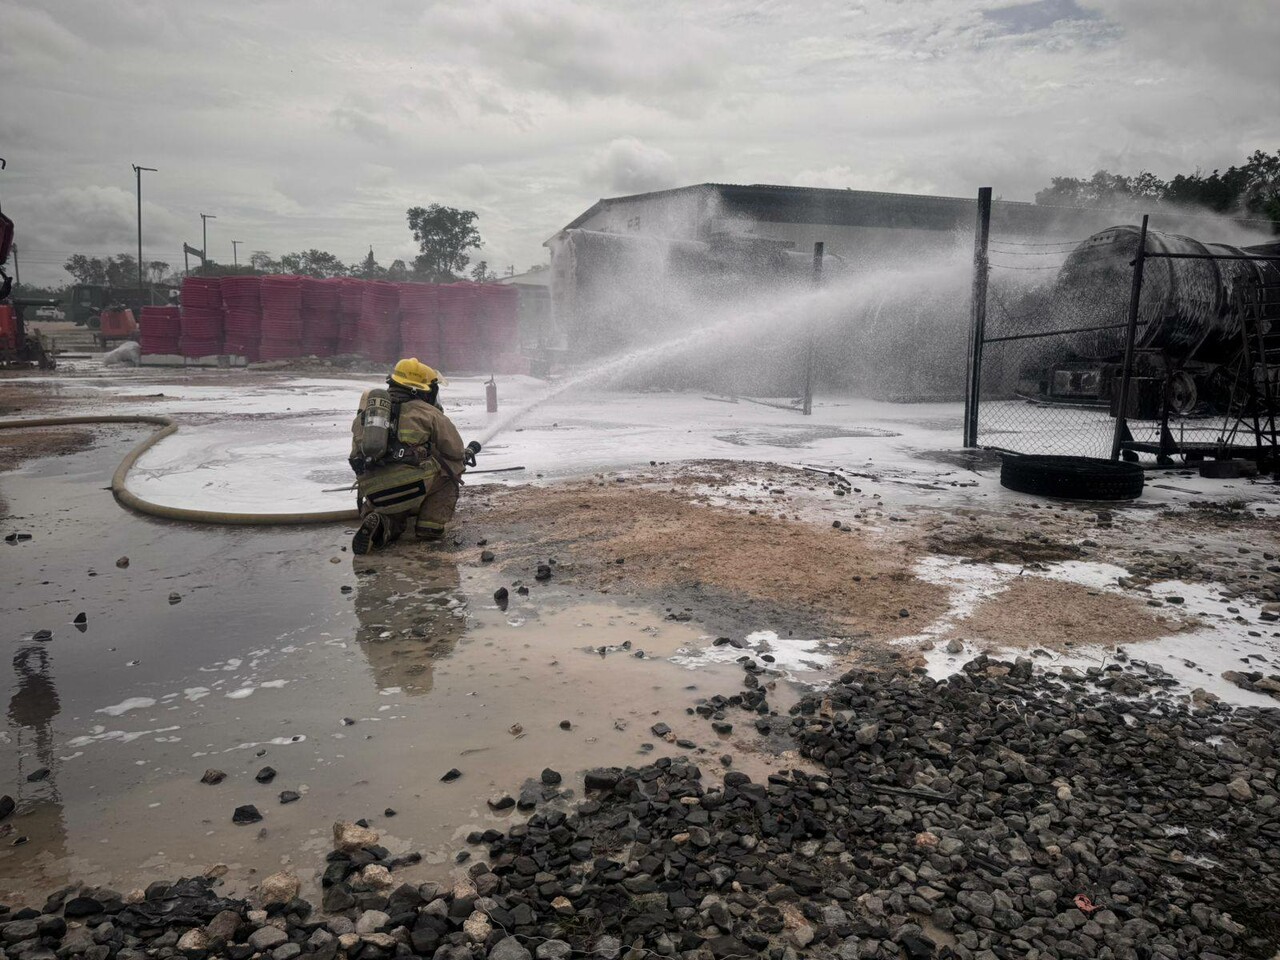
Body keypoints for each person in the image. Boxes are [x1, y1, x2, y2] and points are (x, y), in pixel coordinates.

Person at [348, 358, 474, 554]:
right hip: (413, 487)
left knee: (393, 512)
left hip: (374, 492)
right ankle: (430, 524)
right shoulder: (428, 412)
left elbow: (356, 456)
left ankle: (382, 524)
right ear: (421, 390)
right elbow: (455, 451)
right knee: (452, 467)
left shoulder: (366, 417)